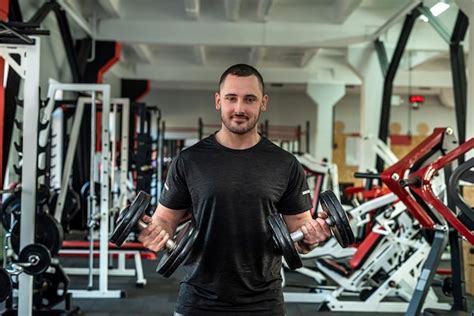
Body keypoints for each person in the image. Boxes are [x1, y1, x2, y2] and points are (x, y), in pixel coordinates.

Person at [138, 64, 331, 316]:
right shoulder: (189, 161)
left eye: (249, 99)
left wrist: (312, 237)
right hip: (199, 300)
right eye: (231, 98)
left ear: (263, 103)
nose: (239, 108)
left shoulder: (285, 164)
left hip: (263, 302)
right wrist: (154, 232)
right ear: (218, 101)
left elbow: (299, 235)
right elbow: (165, 219)